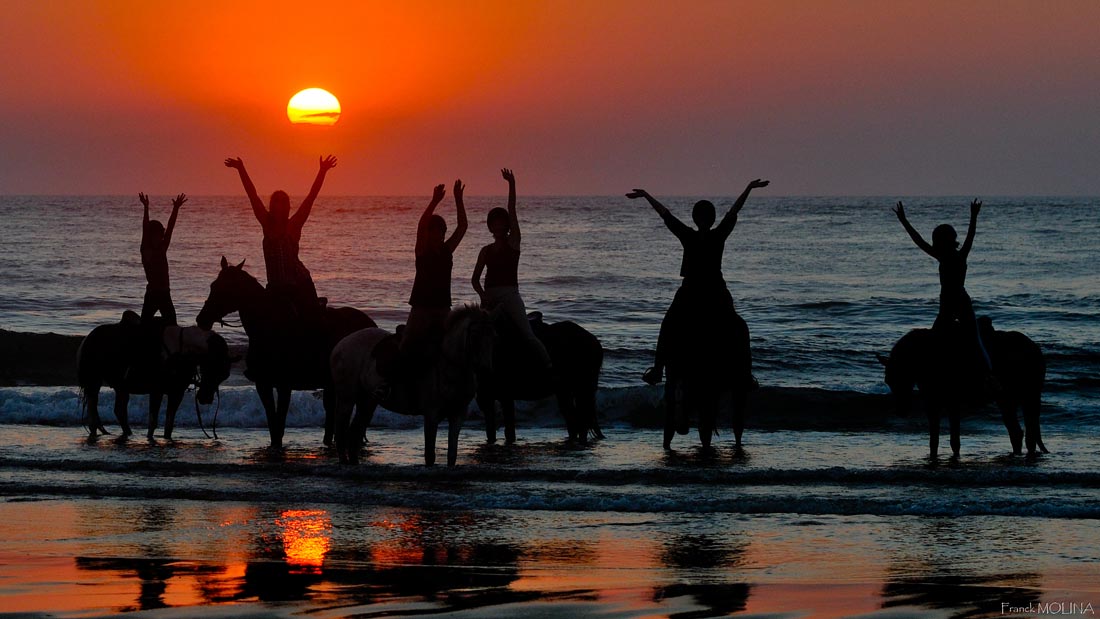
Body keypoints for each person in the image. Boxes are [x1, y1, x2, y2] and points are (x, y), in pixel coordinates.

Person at [628, 179, 769, 385]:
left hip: (692, 292)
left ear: (696, 219)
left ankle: (657, 370)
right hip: (715, 292)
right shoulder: (718, 234)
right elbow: (734, 211)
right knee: (740, 328)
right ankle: (745, 375)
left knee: (668, 325)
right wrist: (748, 188)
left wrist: (646, 195)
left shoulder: (688, 235)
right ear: (711, 219)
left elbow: (665, 214)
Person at [224, 155, 337, 325]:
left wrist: (322, 171)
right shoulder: (266, 223)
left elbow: (311, 196)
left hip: (299, 285)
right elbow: (252, 195)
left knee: (312, 323)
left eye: (283, 202)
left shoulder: (294, 225)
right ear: (272, 205)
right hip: (275, 287)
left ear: (287, 206)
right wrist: (241, 169)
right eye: (276, 201)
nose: (279, 205)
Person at [893, 199, 993, 377]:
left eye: (937, 240)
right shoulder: (950, 255)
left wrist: (904, 220)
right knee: (943, 340)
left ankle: (991, 379)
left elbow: (921, 241)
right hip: (950, 303)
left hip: (957, 303)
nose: (934, 243)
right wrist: (904, 221)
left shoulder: (952, 256)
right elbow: (920, 241)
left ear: (941, 241)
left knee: (974, 342)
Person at [471, 168, 552, 370]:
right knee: (476, 335)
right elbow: (475, 279)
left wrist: (511, 184)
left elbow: (512, 208)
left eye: (501, 223)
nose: (498, 226)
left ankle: (549, 368)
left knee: (527, 334)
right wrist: (483, 296)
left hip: (509, 295)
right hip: (490, 297)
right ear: (490, 226)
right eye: (494, 223)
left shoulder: (513, 243)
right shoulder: (485, 250)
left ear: (506, 225)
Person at [398, 180, 468, 371]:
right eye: (433, 230)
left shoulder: (447, 250)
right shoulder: (421, 251)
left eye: (440, 230)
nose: (437, 234)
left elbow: (462, 227)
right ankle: (390, 386)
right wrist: (434, 200)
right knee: (406, 347)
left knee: (454, 350)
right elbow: (421, 226)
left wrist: (458, 199)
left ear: (444, 233)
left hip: (443, 308)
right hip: (421, 308)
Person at [138, 192, 186, 325]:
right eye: (157, 235)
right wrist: (146, 208)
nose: (160, 238)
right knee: (143, 327)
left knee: (173, 325)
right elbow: (145, 227)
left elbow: (170, 227)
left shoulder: (162, 248)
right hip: (152, 295)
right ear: (151, 235)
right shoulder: (145, 249)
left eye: (161, 235)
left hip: (165, 294)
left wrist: (176, 208)